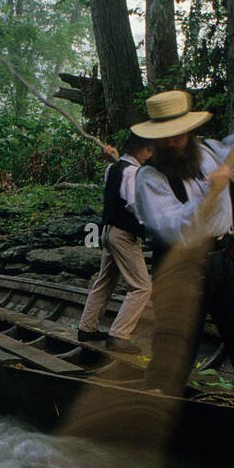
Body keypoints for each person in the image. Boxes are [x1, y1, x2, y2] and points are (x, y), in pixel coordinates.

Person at [131, 90, 234, 411]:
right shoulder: (149, 178)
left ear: (190, 131)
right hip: (181, 269)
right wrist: (209, 195)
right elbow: (175, 229)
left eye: (179, 135)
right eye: (166, 138)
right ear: (156, 140)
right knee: (177, 347)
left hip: (225, 261)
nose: (173, 142)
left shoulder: (211, 153)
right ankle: (157, 410)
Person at [76, 133, 156, 353]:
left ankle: (87, 328)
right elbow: (133, 204)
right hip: (124, 234)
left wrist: (115, 157)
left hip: (108, 231)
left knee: (106, 280)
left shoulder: (113, 169)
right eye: (148, 150)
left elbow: (119, 185)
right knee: (142, 286)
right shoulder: (133, 172)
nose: (150, 155)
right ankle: (119, 335)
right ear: (138, 149)